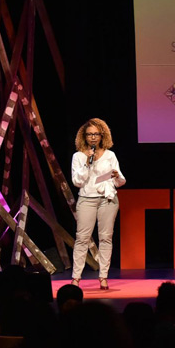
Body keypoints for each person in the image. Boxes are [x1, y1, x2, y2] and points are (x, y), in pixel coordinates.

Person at [70, 118, 126, 290]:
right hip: (87, 199)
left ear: (102, 135)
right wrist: (87, 163)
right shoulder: (78, 156)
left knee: (106, 238)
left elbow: (121, 181)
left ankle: (103, 276)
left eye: (96, 134)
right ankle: (76, 278)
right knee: (82, 239)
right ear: (84, 137)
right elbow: (77, 181)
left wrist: (116, 176)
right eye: (89, 134)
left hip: (107, 200)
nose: (93, 138)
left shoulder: (110, 155)